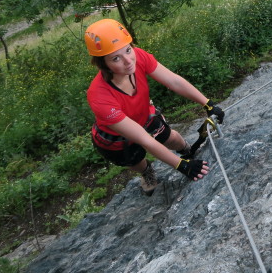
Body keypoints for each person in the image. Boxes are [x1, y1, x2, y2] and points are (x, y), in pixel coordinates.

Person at [84, 18, 225, 196]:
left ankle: (187, 149)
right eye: (116, 58)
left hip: (144, 115)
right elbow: (145, 140)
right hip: (115, 138)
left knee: (171, 138)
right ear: (102, 63)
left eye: (128, 50)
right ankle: (146, 171)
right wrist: (181, 166)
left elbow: (173, 81)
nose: (128, 61)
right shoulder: (99, 96)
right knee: (135, 159)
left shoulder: (139, 57)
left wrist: (207, 103)